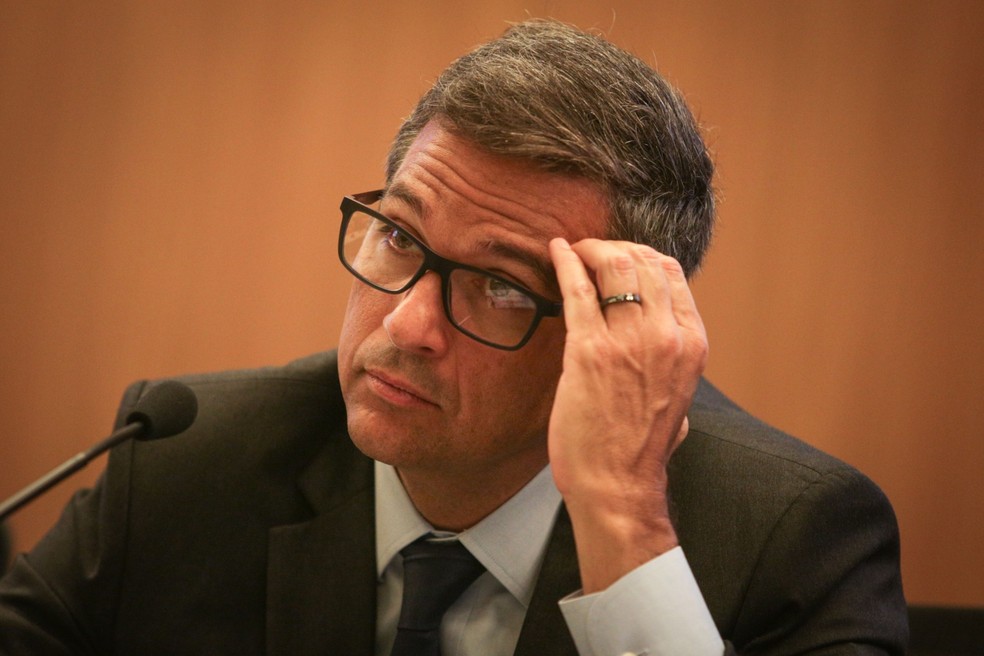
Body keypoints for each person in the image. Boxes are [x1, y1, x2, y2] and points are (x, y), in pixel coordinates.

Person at [0, 18, 907, 655]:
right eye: (399, 237)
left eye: (501, 286)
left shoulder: (792, 539)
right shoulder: (185, 461)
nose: (407, 324)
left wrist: (624, 522)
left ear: (614, 333)